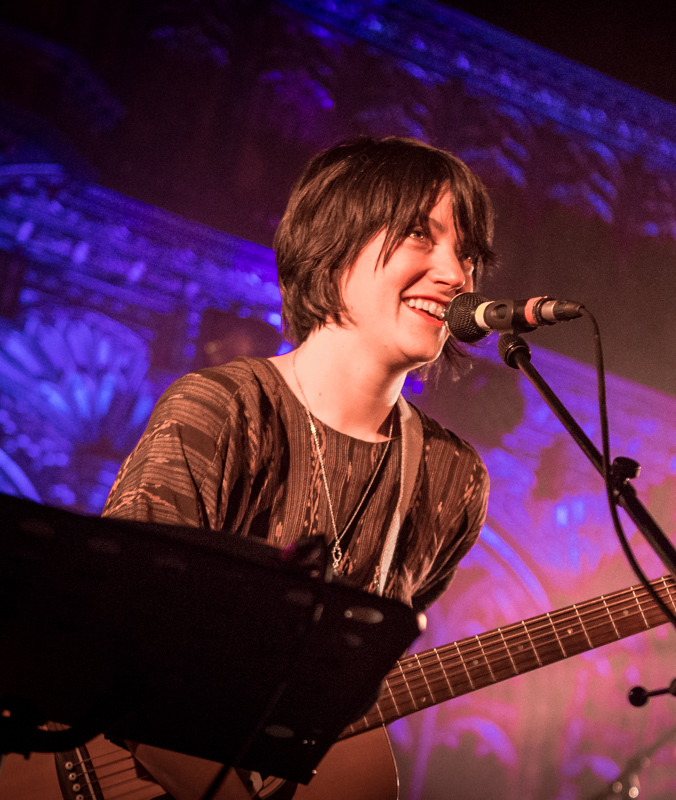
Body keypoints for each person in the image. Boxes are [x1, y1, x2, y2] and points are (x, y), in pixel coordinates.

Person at [102, 136, 495, 799]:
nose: (457, 275)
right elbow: (119, 638)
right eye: (422, 238)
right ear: (335, 242)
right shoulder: (223, 410)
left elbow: (350, 690)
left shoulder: (453, 480)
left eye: (468, 254)